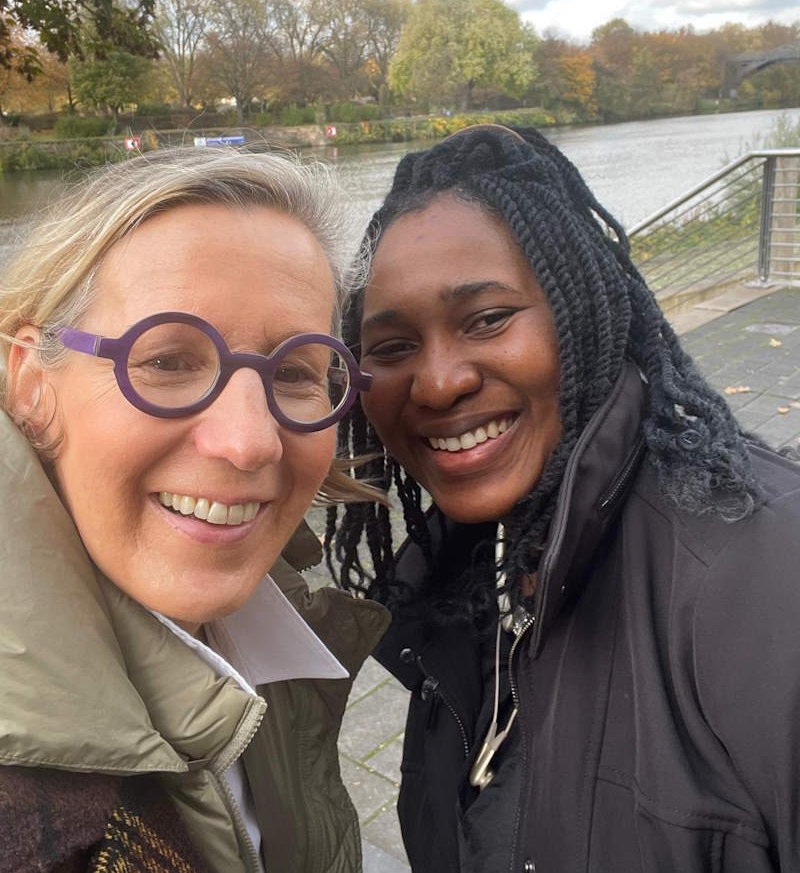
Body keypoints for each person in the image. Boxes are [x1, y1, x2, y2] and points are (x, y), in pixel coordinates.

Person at [327, 125, 800, 873]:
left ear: (582, 310)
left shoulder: (769, 573)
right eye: (391, 347)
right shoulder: (451, 580)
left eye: (486, 319)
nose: (440, 380)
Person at [0, 147, 389, 872]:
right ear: (30, 381)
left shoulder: (256, 633)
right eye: (169, 360)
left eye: (296, 371)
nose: (248, 442)